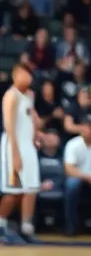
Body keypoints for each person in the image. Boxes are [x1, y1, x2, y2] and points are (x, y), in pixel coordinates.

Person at [1, 62, 40, 242]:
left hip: (28, 145)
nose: (28, 77)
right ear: (15, 75)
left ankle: (26, 228)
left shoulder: (29, 95)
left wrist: (36, 136)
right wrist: (15, 153)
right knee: (13, 192)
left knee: (31, 189)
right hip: (13, 144)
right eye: (24, 73)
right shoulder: (11, 96)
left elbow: (31, 121)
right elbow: (9, 126)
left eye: (30, 74)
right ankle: (1, 225)